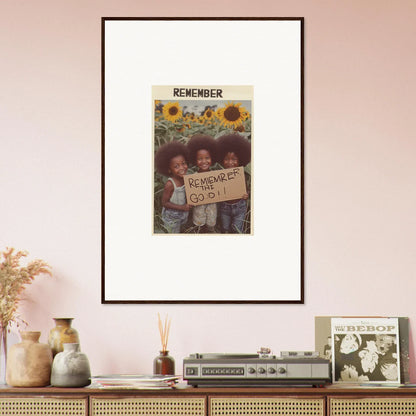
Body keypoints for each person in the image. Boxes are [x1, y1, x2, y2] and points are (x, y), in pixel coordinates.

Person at [216, 133, 251, 233]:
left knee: (237, 229)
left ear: (240, 160)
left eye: (234, 159)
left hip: (240, 207)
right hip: (224, 208)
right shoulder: (220, 175)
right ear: (222, 159)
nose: (230, 163)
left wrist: (246, 194)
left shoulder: (242, 175)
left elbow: (246, 189)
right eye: (226, 159)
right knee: (225, 228)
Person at [155, 141, 192, 233]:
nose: (182, 168)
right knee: (173, 233)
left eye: (183, 163)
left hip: (183, 214)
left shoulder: (186, 179)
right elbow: (165, 203)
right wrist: (182, 207)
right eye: (176, 166)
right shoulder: (170, 184)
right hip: (172, 217)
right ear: (169, 169)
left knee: (181, 229)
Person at [187, 134, 218, 233]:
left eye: (207, 158)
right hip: (198, 210)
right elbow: (190, 194)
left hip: (212, 209)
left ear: (212, 158)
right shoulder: (193, 178)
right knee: (198, 226)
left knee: (211, 226)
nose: (204, 161)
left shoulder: (216, 176)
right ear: (195, 160)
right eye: (200, 159)